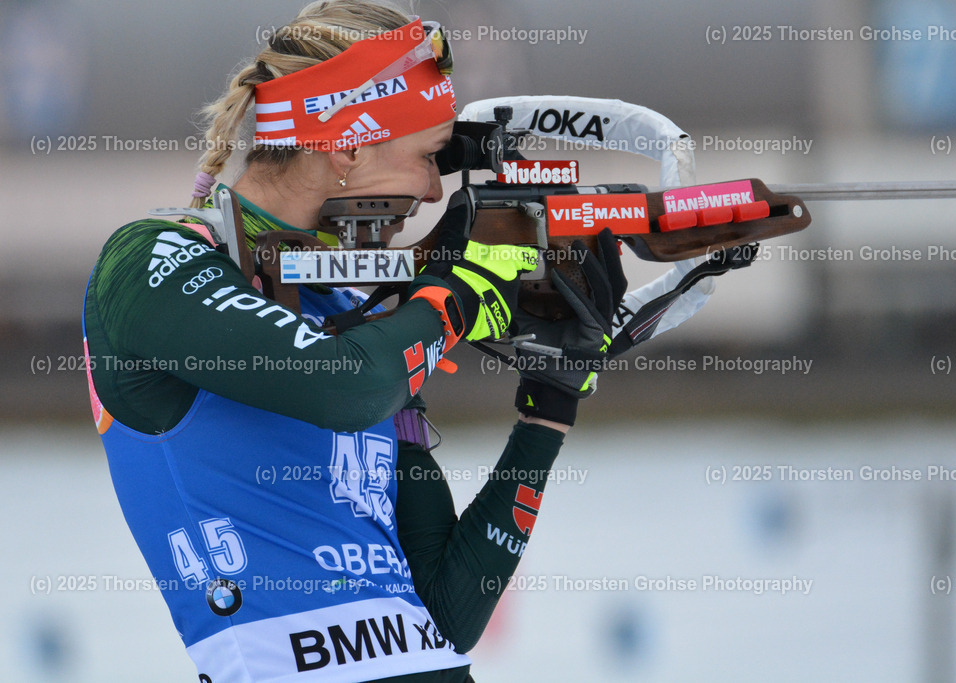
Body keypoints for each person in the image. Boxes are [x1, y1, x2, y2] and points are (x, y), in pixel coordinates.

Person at [82, 2, 624, 681]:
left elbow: (447, 616)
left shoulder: (351, 305)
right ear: (345, 145)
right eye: (429, 158)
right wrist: (458, 295)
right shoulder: (151, 259)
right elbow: (346, 385)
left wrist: (550, 404)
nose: (433, 190)